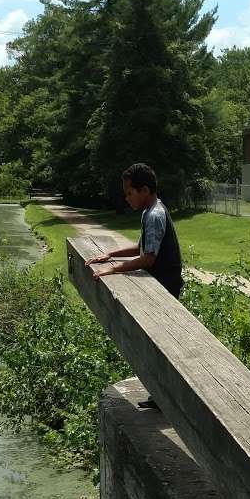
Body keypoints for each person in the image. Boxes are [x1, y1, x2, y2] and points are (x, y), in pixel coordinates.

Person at [84, 162, 182, 408]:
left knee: (160, 345)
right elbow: (142, 248)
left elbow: (148, 257)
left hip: (165, 289)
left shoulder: (155, 215)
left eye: (130, 193)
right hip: (160, 287)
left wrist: (113, 269)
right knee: (155, 344)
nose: (127, 198)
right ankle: (160, 396)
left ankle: (164, 398)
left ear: (145, 190)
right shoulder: (150, 212)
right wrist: (111, 254)